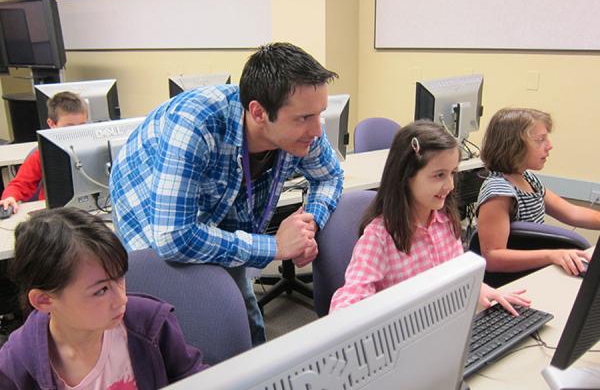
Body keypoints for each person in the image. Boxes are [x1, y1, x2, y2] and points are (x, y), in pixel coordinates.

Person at [110, 42, 344, 345]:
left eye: (320, 114)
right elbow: (172, 238)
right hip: (146, 198)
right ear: (259, 112)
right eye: (303, 118)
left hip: (219, 199)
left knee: (240, 305)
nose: (316, 130)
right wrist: (274, 246)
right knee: (180, 313)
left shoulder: (303, 133)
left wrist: (307, 225)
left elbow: (330, 176)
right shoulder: (195, 125)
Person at [330, 121, 530, 315]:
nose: (450, 185)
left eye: (453, 173)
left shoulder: (445, 221)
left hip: (441, 323)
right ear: (406, 175)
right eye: (439, 175)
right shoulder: (380, 237)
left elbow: (458, 273)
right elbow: (347, 303)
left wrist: (483, 289)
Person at [0, 207, 208, 389]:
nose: (121, 300)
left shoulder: (150, 323)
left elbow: (200, 380)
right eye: (100, 291)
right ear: (44, 300)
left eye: (119, 279)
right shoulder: (17, 363)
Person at [477, 108, 600, 276]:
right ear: (515, 146)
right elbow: (492, 257)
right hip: (515, 281)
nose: (549, 146)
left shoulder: (527, 178)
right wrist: (552, 254)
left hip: (534, 272)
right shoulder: (499, 192)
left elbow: (573, 213)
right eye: (540, 140)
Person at [0, 91, 88, 213]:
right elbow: (19, 185)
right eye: (69, 127)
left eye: (82, 126)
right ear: (51, 124)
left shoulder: (95, 149)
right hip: (55, 215)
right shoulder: (41, 155)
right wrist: (10, 197)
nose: (76, 133)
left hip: (90, 208)